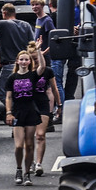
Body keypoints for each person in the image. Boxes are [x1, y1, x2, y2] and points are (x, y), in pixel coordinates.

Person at [0, 3, 36, 105]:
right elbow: (32, 45)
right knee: (22, 92)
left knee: (4, 95)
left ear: (4, 13)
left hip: (9, 66)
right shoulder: (26, 25)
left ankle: (15, 115)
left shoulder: (3, 24)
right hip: (24, 65)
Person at [5, 50, 42, 184]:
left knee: (30, 145)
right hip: (18, 112)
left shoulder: (32, 75)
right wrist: (9, 112)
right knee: (19, 146)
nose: (24, 62)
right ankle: (19, 169)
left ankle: (27, 174)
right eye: (21, 59)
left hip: (31, 112)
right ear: (17, 61)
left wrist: (38, 51)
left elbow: (42, 68)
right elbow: (8, 97)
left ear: (29, 62)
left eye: (26, 60)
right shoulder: (12, 78)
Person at [28, 39, 59, 177]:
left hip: (42, 104)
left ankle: (39, 163)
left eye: (36, 58)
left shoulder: (47, 71)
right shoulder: (24, 71)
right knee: (28, 138)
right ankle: (30, 162)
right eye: (32, 58)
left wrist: (59, 105)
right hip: (27, 105)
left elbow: (54, 89)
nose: (35, 61)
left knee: (40, 135)